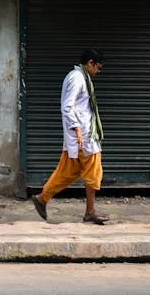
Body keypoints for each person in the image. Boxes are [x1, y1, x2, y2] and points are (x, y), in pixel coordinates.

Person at [31, 48, 107, 225]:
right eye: (98, 67)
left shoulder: (81, 77)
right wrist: (78, 130)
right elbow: (67, 106)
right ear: (90, 63)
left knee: (68, 172)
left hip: (82, 136)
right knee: (93, 172)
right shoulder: (77, 78)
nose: (98, 71)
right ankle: (90, 212)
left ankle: (42, 199)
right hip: (83, 137)